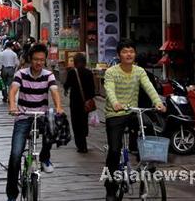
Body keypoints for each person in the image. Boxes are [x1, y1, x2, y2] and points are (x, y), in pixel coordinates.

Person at [104, 39, 166, 201]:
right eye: (125, 52)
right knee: (114, 151)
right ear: (119, 55)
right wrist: (115, 102)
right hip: (115, 114)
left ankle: (146, 160)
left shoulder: (140, 71)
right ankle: (110, 187)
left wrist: (158, 102)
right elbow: (109, 90)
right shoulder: (111, 72)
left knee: (150, 127)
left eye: (131, 51)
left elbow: (149, 87)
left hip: (133, 113)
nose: (128, 54)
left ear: (135, 54)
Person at [6, 43, 63, 201]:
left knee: (52, 125)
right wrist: (12, 105)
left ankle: (45, 157)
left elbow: (54, 91)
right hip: (23, 116)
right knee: (15, 155)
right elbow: (13, 91)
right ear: (30, 59)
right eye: (36, 59)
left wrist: (58, 107)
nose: (39, 63)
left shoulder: (49, 75)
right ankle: (11, 194)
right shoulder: (21, 74)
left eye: (42, 60)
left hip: (41, 115)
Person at [64, 53, 95, 153]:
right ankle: (84, 138)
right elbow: (93, 89)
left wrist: (66, 89)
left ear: (75, 62)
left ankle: (80, 145)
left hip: (75, 102)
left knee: (75, 123)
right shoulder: (89, 73)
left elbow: (66, 84)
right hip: (86, 102)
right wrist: (89, 98)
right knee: (84, 121)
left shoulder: (72, 72)